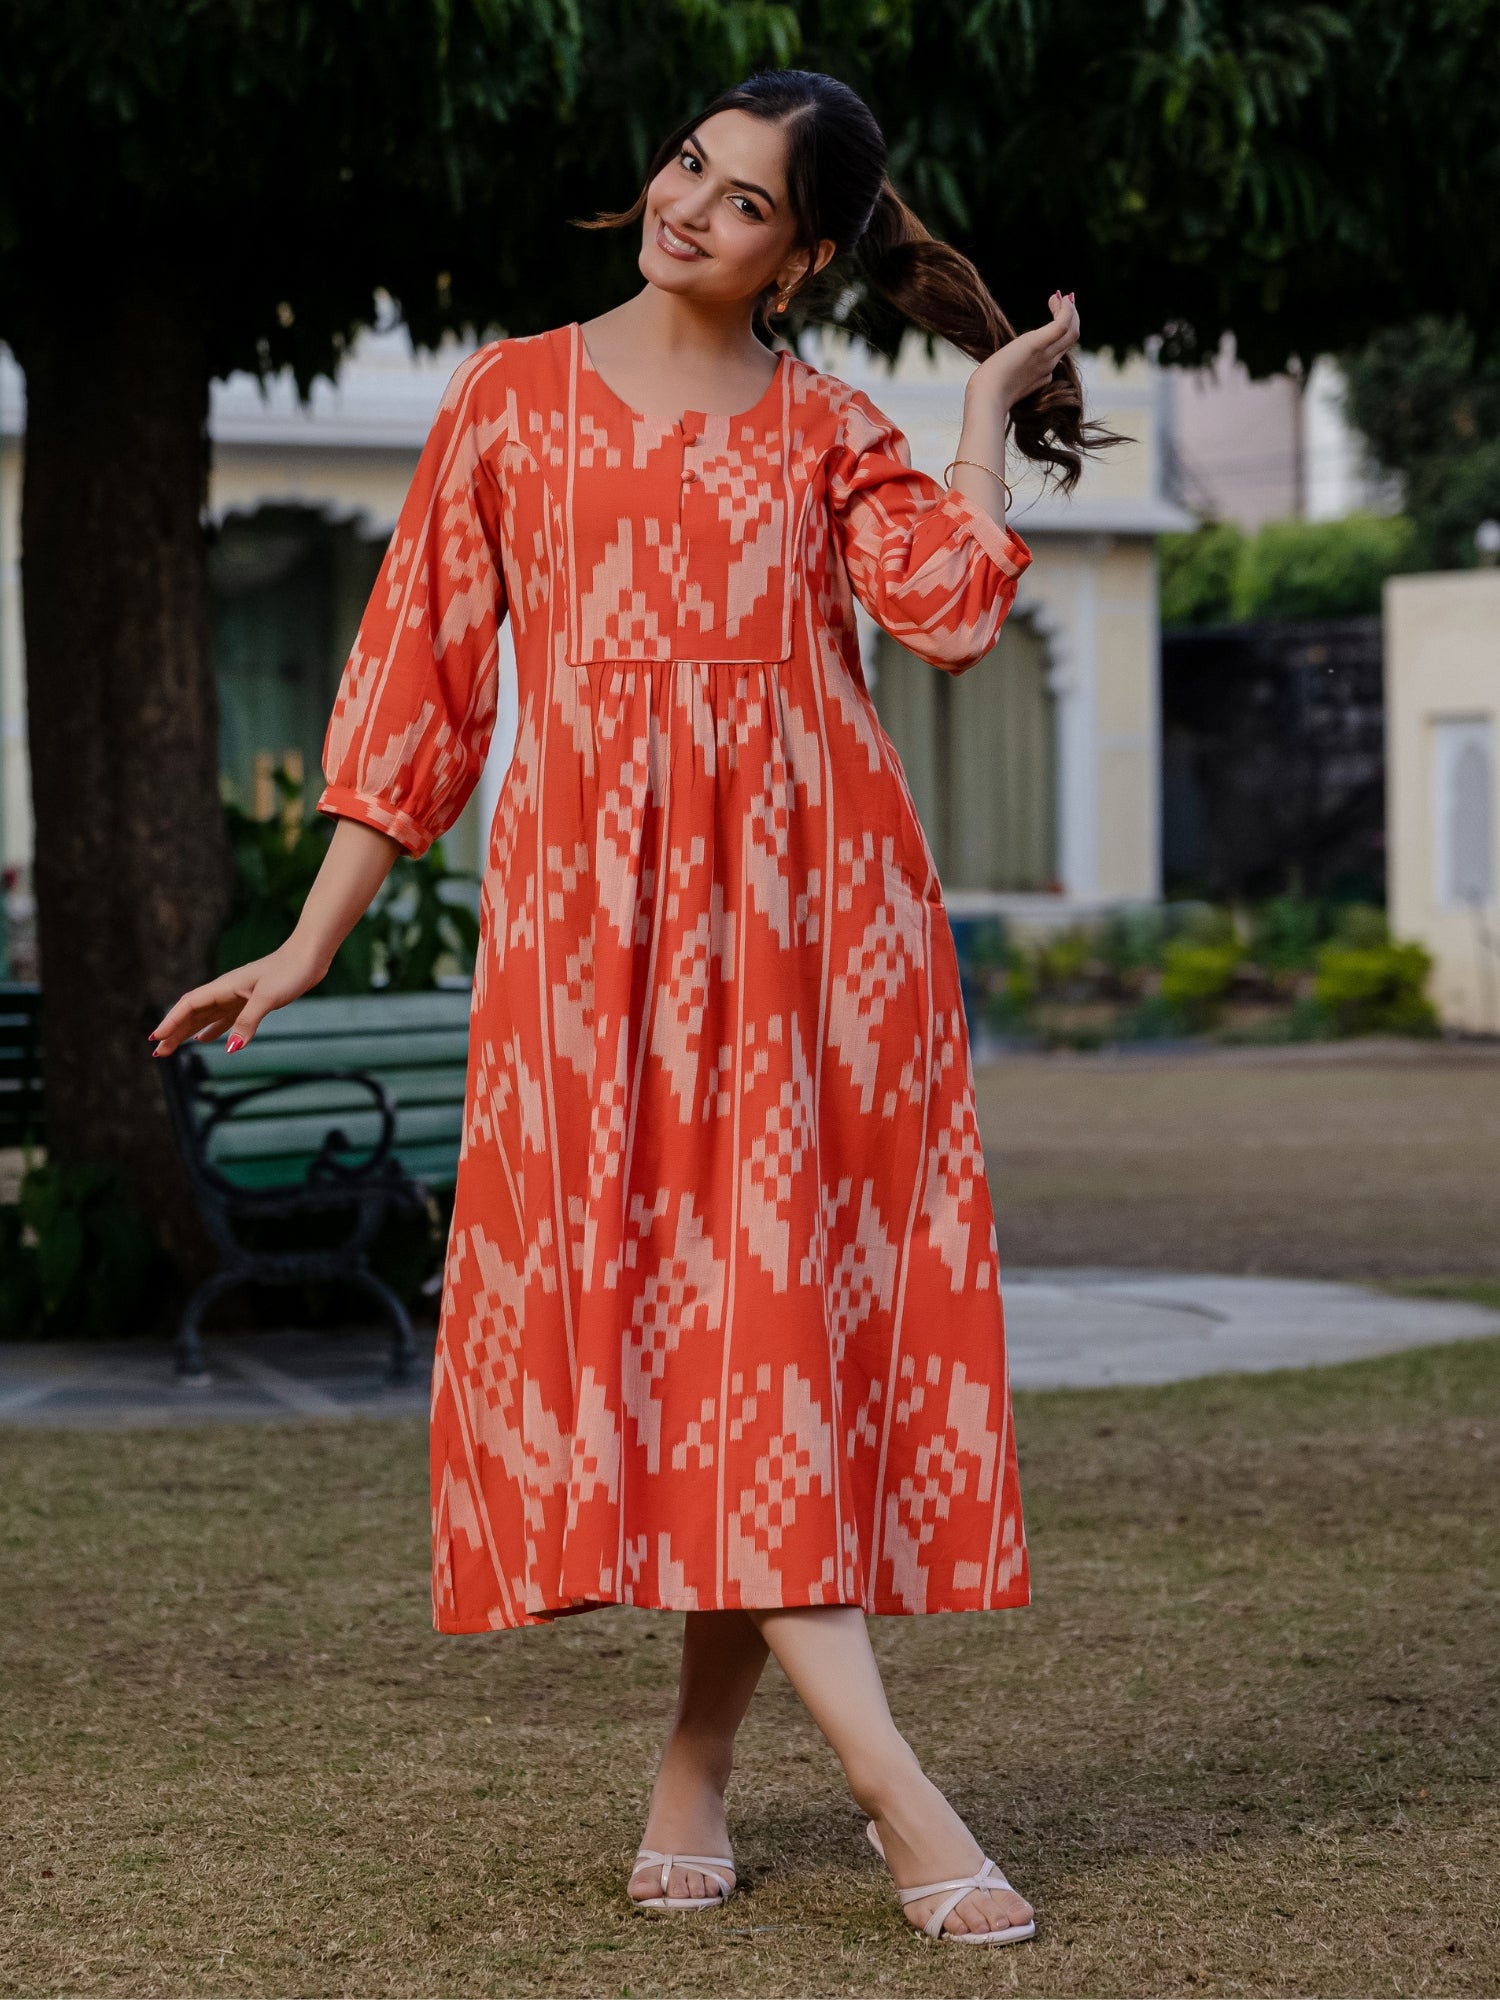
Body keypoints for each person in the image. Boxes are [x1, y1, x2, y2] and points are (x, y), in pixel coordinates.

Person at [150, 67, 1108, 1947]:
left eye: (744, 200)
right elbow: (417, 697)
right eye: (690, 164)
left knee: (760, 1365)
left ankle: (859, 1781)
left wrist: (982, 413)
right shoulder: (508, 403)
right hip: (595, 964)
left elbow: (948, 612)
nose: (690, 204)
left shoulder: (831, 425)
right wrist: (309, 941)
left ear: (801, 254)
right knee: (700, 1366)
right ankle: (732, 1763)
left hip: (822, 953)